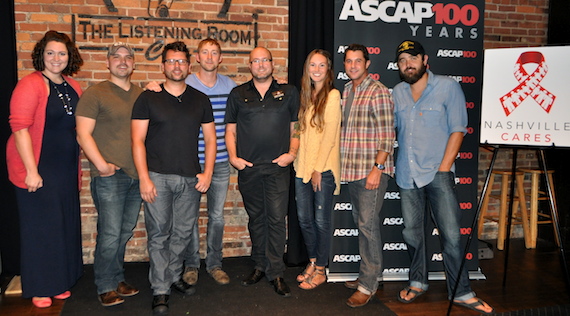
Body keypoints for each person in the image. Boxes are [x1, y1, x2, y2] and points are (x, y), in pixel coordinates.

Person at [392, 40, 494, 315]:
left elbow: (458, 129)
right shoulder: (397, 93)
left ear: (425, 60)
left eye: (412, 58)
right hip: (406, 175)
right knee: (413, 234)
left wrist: (443, 168)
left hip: (439, 174)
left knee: (450, 236)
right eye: (402, 61)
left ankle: (461, 291)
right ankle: (417, 281)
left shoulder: (448, 87)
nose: (407, 64)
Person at [131, 41, 216, 315]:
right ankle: (160, 289)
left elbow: (212, 140)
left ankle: (169, 276)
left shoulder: (200, 99)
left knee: (182, 232)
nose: (176, 66)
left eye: (181, 61)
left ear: (189, 66)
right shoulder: (147, 98)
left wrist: (208, 173)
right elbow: (137, 141)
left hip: (191, 178)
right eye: (171, 61)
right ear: (163, 66)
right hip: (157, 177)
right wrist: (144, 178)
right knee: (159, 235)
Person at [6, 30, 84, 308]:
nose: (56, 58)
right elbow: (20, 128)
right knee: (40, 230)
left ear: (69, 57)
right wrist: (31, 170)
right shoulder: (30, 84)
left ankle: (59, 282)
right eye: (50, 52)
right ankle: (40, 287)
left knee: (62, 227)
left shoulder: (72, 86)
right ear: (41, 55)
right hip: (38, 168)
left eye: (61, 53)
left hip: (64, 169)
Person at [225, 47, 299, 297]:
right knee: (256, 219)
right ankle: (259, 265)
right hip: (249, 168)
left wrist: (292, 153)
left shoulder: (289, 92)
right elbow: (230, 130)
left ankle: (276, 272)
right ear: (250, 65)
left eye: (264, 60)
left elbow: (295, 127)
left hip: (278, 167)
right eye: (255, 61)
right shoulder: (237, 94)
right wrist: (234, 157)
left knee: (277, 219)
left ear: (272, 64)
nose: (260, 64)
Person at [75, 42, 143, 307]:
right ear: (108, 62)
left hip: (136, 176)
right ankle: (104, 284)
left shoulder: (141, 94)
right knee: (110, 233)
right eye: (116, 57)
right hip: (109, 177)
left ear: (134, 64)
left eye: (128, 57)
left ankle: (117, 279)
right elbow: (82, 133)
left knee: (124, 231)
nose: (122, 61)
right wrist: (101, 165)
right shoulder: (96, 94)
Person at [340, 43, 395, 308]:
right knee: (364, 225)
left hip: (370, 171)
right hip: (352, 171)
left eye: (357, 61)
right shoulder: (347, 90)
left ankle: (368, 285)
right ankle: (371, 273)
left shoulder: (378, 91)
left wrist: (378, 168)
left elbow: (387, 136)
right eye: (348, 61)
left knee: (368, 227)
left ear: (367, 63)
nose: (353, 65)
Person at [181, 38, 236, 286]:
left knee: (216, 216)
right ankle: (191, 265)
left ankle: (215, 264)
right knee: (189, 216)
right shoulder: (185, 83)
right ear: (197, 57)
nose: (210, 57)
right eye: (205, 52)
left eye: (215, 53)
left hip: (222, 162)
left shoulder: (230, 86)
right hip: (191, 162)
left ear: (220, 58)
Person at [293, 49, 341, 290]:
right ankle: (313, 261)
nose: (317, 69)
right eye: (313, 65)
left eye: (322, 65)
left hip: (323, 170)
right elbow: (299, 131)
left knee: (321, 221)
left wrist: (318, 169)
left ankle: (321, 268)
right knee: (304, 219)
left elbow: (330, 137)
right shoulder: (305, 96)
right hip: (302, 168)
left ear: (328, 70)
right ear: (307, 68)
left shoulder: (332, 96)